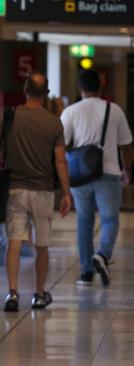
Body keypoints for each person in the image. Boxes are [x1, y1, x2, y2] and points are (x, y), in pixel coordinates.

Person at [3, 72, 72, 311]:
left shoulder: (10, 116)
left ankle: (12, 293)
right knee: (41, 245)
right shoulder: (54, 122)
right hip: (43, 191)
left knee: (14, 241)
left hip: (15, 189)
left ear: (25, 89)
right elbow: (60, 161)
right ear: (47, 93)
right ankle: (39, 294)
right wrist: (66, 192)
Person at [61, 69, 134, 287]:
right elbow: (127, 144)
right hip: (109, 173)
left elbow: (61, 145)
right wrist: (127, 169)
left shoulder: (70, 112)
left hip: (79, 177)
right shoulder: (114, 110)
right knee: (110, 219)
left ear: (79, 88)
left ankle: (86, 273)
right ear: (101, 87)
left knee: (84, 222)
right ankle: (102, 254)